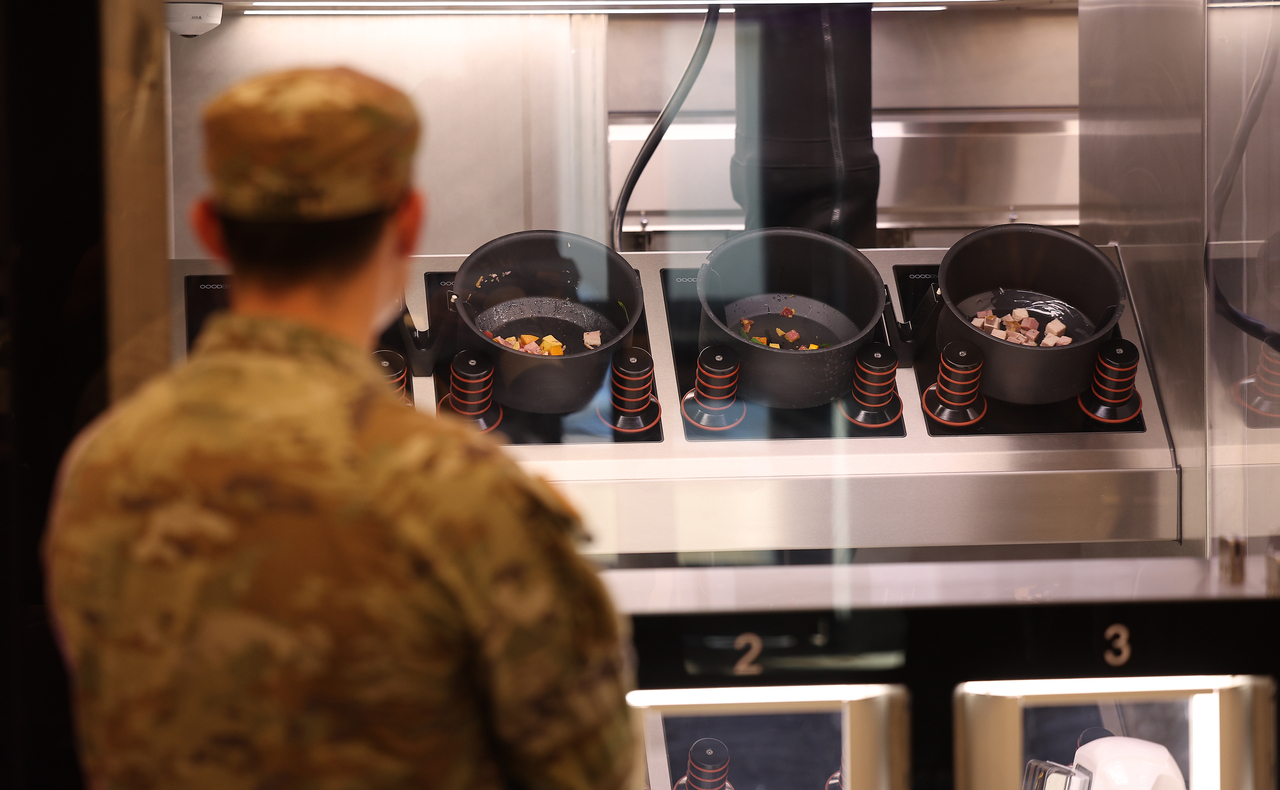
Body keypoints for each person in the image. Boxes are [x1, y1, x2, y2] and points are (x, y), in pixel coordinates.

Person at [43, 67, 635, 790]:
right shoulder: (463, 497)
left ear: (209, 229)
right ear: (408, 224)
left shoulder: (100, 467)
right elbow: (588, 771)